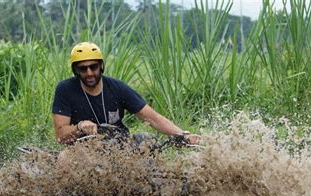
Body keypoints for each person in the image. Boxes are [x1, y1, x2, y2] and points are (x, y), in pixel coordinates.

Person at [52, 42, 202, 145]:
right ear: (75, 70)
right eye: (83, 69)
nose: (89, 73)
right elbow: (61, 134)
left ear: (101, 67)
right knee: (64, 158)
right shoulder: (65, 89)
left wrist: (183, 135)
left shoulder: (117, 88)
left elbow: (152, 118)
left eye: (93, 67)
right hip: (83, 148)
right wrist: (79, 127)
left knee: (146, 142)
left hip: (118, 145)